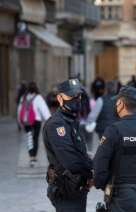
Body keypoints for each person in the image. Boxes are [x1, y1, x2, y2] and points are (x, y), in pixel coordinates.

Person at [43, 79, 93, 212]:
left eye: (78, 96)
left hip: (77, 188)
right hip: (66, 190)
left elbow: (81, 153)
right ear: (60, 98)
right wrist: (93, 171)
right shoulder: (57, 124)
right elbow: (70, 161)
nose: (76, 99)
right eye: (71, 96)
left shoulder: (71, 120)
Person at [17, 82, 51, 167]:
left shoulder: (24, 97)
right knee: (35, 138)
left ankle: (31, 156)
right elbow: (44, 110)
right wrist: (49, 120)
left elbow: (20, 109)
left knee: (29, 138)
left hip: (26, 121)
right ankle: (34, 157)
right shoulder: (38, 97)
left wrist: (20, 121)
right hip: (36, 121)